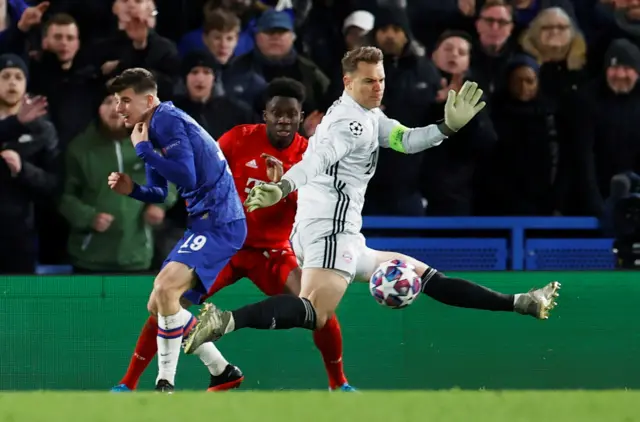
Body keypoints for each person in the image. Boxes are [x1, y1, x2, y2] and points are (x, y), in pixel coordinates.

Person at [183, 46, 560, 358]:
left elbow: (406, 140)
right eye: (369, 81)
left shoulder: (367, 115)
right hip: (331, 233)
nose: (378, 86)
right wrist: (281, 188)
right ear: (348, 82)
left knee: (426, 276)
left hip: (342, 233)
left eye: (381, 79)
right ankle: (225, 321)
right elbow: (316, 160)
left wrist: (446, 128)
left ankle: (520, 302)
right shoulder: (351, 125)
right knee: (315, 312)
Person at [112, 77, 355, 392]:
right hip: (227, 244)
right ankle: (128, 383)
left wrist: (284, 189)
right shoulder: (238, 139)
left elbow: (319, 208)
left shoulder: (310, 158)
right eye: (276, 112)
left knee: (318, 308)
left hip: (271, 251)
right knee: (167, 300)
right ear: (263, 115)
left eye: (291, 114)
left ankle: (339, 384)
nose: (283, 119)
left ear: (300, 116)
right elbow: (204, 171)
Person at [107, 68, 246, 393]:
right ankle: (222, 370)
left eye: (125, 100)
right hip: (205, 222)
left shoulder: (166, 121)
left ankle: (164, 382)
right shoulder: (152, 127)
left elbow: (185, 176)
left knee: (165, 290)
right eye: (117, 101)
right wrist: (133, 190)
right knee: (159, 303)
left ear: (149, 99)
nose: (119, 109)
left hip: (220, 221)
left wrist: (143, 151)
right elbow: (160, 191)